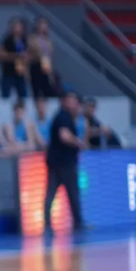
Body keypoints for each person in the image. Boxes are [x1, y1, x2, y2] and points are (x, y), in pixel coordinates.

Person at [44, 91, 86, 233]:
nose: (73, 104)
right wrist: (78, 142)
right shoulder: (63, 117)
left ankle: (47, 224)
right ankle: (78, 223)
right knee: (72, 194)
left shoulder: (66, 117)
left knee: (52, 194)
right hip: (64, 163)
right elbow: (64, 136)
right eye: (70, 100)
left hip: (57, 162)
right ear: (64, 102)